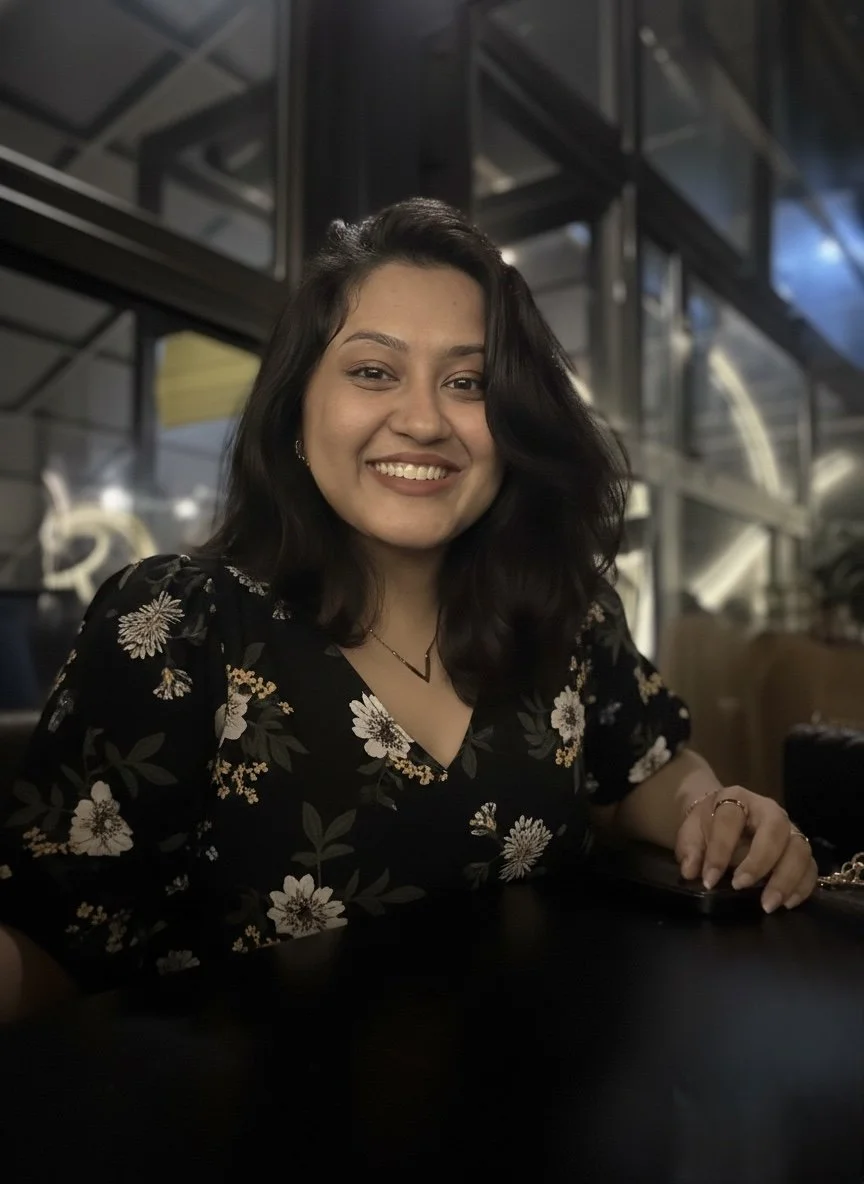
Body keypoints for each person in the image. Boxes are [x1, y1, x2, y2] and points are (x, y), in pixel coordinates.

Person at [0, 199, 817, 1020]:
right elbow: (52, 943)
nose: (424, 420)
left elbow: (647, 767)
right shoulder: (176, 623)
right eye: (372, 372)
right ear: (296, 411)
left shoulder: (565, 611)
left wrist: (716, 812)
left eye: (468, 383)